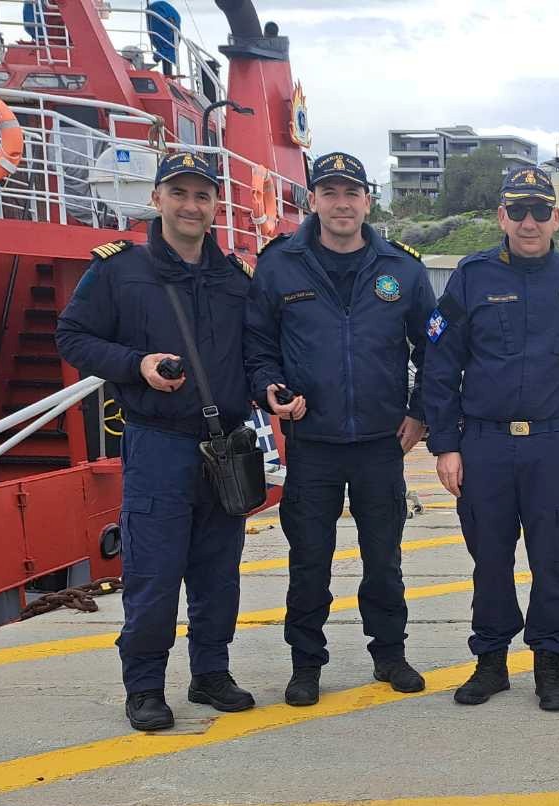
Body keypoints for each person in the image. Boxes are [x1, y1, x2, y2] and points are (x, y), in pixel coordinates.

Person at [57, 151, 255, 731]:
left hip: (225, 446)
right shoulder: (119, 271)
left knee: (219, 573)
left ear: (215, 205)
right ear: (157, 199)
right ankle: (144, 686)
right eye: (179, 193)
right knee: (155, 572)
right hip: (158, 444)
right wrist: (135, 364)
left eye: (202, 196)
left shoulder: (236, 278)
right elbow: (72, 336)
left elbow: (257, 351)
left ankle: (211, 673)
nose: (191, 206)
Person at [244, 151, 435, 707]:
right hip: (313, 443)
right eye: (330, 192)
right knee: (309, 561)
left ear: (367, 201)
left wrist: (420, 411)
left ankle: (390, 654)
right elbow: (258, 345)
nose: (342, 203)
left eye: (352, 193)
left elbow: (434, 348)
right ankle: (306, 664)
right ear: (313, 201)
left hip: (381, 443)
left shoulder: (403, 269)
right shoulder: (279, 265)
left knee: (384, 560)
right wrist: (270, 388)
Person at [421, 166, 559, 712]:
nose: (530, 222)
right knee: (490, 559)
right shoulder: (472, 276)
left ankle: (550, 664)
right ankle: (491, 662)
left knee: (552, 559)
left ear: (557, 218)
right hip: (485, 444)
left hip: (552, 443)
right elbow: (440, 363)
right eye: (519, 211)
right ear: (501, 216)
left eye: (540, 211)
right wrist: (446, 445)